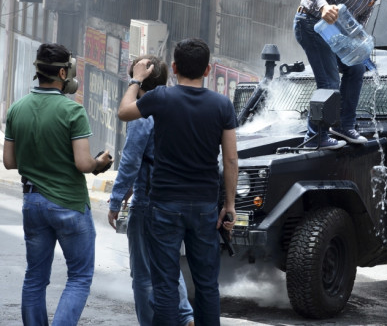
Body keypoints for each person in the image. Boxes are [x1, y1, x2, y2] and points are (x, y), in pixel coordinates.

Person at [118, 38, 237, 325]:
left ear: (174, 67)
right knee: (207, 285)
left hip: (165, 207)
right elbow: (231, 160)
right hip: (205, 207)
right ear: (208, 70)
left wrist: (136, 80)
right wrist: (229, 205)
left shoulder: (161, 98)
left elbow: (124, 112)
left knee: (166, 284)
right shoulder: (222, 105)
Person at [3, 43, 113, 325]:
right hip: (69, 205)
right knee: (79, 277)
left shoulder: (17, 109)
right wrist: (100, 162)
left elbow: (9, 162)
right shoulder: (72, 111)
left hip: (33, 203)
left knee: (35, 278)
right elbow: (83, 164)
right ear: (63, 72)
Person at [107, 55, 194, 326]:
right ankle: (185, 317)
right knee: (168, 267)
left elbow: (132, 158)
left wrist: (116, 198)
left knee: (143, 275)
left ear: (141, 77)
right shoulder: (177, 105)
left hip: (148, 204)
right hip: (176, 199)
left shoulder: (143, 112)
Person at [294, 0, 387, 149]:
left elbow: (361, 18)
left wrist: (358, 44)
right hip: (311, 23)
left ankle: (344, 126)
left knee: (356, 69)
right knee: (330, 81)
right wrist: (323, 6)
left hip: (336, 33)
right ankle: (315, 137)